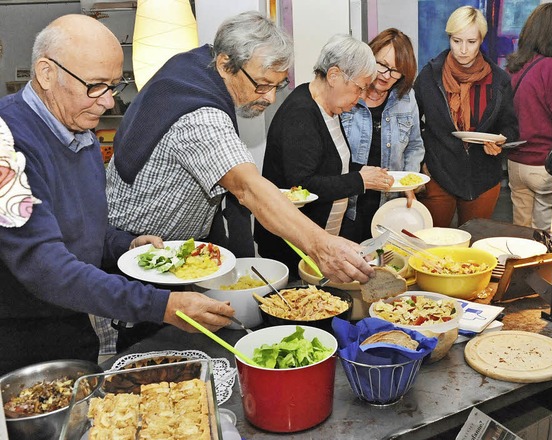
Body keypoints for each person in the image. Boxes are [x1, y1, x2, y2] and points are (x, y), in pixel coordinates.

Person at [0, 15, 236, 375]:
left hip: (70, 319)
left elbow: (80, 224)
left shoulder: (79, 129)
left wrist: (123, 245)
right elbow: (44, 265)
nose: (109, 102)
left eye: (114, 85)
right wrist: (161, 305)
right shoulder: (8, 144)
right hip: (19, 337)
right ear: (47, 74)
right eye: (95, 86)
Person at [106, 12, 374, 287]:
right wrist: (321, 245)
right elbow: (247, 188)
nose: (270, 97)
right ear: (225, 64)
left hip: (170, 249)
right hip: (137, 257)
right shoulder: (202, 115)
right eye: (261, 84)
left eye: (277, 85)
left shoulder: (195, 66)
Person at [254, 34, 392, 275]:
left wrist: (373, 174)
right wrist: (360, 180)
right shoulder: (301, 114)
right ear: (334, 76)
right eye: (359, 88)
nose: (360, 97)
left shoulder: (329, 107)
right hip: (291, 246)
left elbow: (333, 164)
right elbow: (302, 185)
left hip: (321, 240)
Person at [413, 6, 519, 228]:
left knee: (473, 247)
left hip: (483, 178)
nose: (462, 50)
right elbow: (412, 125)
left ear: (481, 40)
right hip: (438, 175)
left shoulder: (498, 80)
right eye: (456, 40)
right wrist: (421, 163)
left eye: (471, 42)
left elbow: (510, 126)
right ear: (449, 38)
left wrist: (500, 140)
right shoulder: (429, 76)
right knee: (433, 246)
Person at [340, 28, 425, 243]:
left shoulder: (406, 98)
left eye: (396, 71)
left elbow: (415, 146)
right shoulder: (348, 92)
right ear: (370, 56)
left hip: (388, 204)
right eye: (382, 65)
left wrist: (409, 181)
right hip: (347, 204)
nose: (386, 76)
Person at [505, 3, 552, 231]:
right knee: (544, 239)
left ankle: (520, 268)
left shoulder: (514, 67)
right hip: (544, 165)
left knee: (520, 233)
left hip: (515, 164)